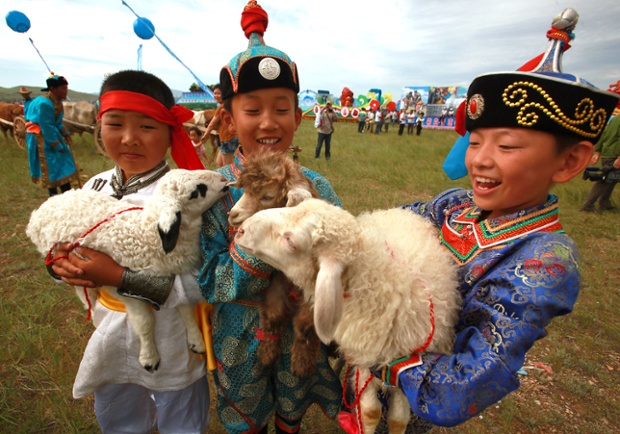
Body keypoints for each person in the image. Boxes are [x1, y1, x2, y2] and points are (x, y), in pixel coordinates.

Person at [367, 8, 619, 432]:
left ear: (570, 160)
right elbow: (390, 225)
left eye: (506, 145)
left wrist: (370, 344)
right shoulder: (454, 204)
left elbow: (461, 386)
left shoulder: (545, 260)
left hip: (408, 397)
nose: (480, 159)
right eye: (477, 140)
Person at [197, 2, 344, 432]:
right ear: (227, 118)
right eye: (252, 109)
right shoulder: (213, 192)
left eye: (281, 109)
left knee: (291, 415)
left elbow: (338, 258)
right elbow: (208, 277)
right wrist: (265, 246)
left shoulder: (318, 188)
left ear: (298, 117)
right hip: (239, 336)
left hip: (300, 329)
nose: (268, 122)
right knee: (248, 421)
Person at [48, 69, 211, 434]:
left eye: (147, 127)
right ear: (98, 125)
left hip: (173, 338)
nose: (128, 138)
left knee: (180, 419)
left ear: (171, 133)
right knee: (118, 414)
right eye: (115, 123)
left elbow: (205, 280)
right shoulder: (94, 187)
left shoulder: (190, 196)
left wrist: (118, 277)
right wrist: (61, 266)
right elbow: (64, 245)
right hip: (108, 330)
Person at [24, 73, 79, 196]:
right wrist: (56, 145)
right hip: (42, 138)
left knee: (63, 163)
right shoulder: (45, 104)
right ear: (53, 89)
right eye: (63, 88)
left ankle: (66, 192)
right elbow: (46, 126)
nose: (66, 91)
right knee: (51, 165)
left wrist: (66, 133)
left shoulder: (57, 102)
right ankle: (54, 195)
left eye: (66, 88)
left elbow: (57, 123)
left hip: (51, 133)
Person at [580, 114, 620, 213]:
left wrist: (598, 152)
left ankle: (605, 202)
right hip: (614, 154)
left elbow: (604, 134)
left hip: (607, 153)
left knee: (612, 179)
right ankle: (588, 205)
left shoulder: (615, 119)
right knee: (605, 180)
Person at [202, 84, 239, 167]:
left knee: (227, 165)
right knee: (219, 163)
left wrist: (205, 135)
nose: (216, 96)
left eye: (219, 93)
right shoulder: (230, 104)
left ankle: (233, 179)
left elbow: (212, 124)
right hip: (228, 138)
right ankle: (228, 178)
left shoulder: (222, 107)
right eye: (215, 93)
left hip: (227, 138)